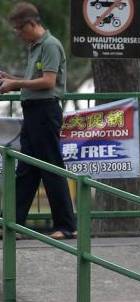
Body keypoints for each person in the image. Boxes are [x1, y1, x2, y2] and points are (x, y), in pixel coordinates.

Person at [0, 2, 76, 239]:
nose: (19, 36)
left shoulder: (50, 46)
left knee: (51, 168)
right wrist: (11, 79)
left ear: (32, 24)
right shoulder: (35, 47)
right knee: (26, 170)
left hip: (45, 112)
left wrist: (17, 84)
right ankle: (13, 224)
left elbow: (48, 82)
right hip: (33, 112)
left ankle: (66, 226)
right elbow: (34, 81)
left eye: (20, 30)